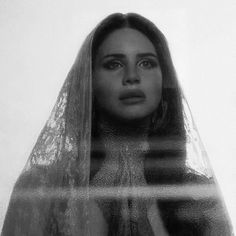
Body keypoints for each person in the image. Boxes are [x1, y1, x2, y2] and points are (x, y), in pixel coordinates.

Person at [1, 13, 233, 236]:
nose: (132, 76)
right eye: (114, 64)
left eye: (146, 63)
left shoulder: (197, 197)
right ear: (89, 80)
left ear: (164, 79)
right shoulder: (42, 188)